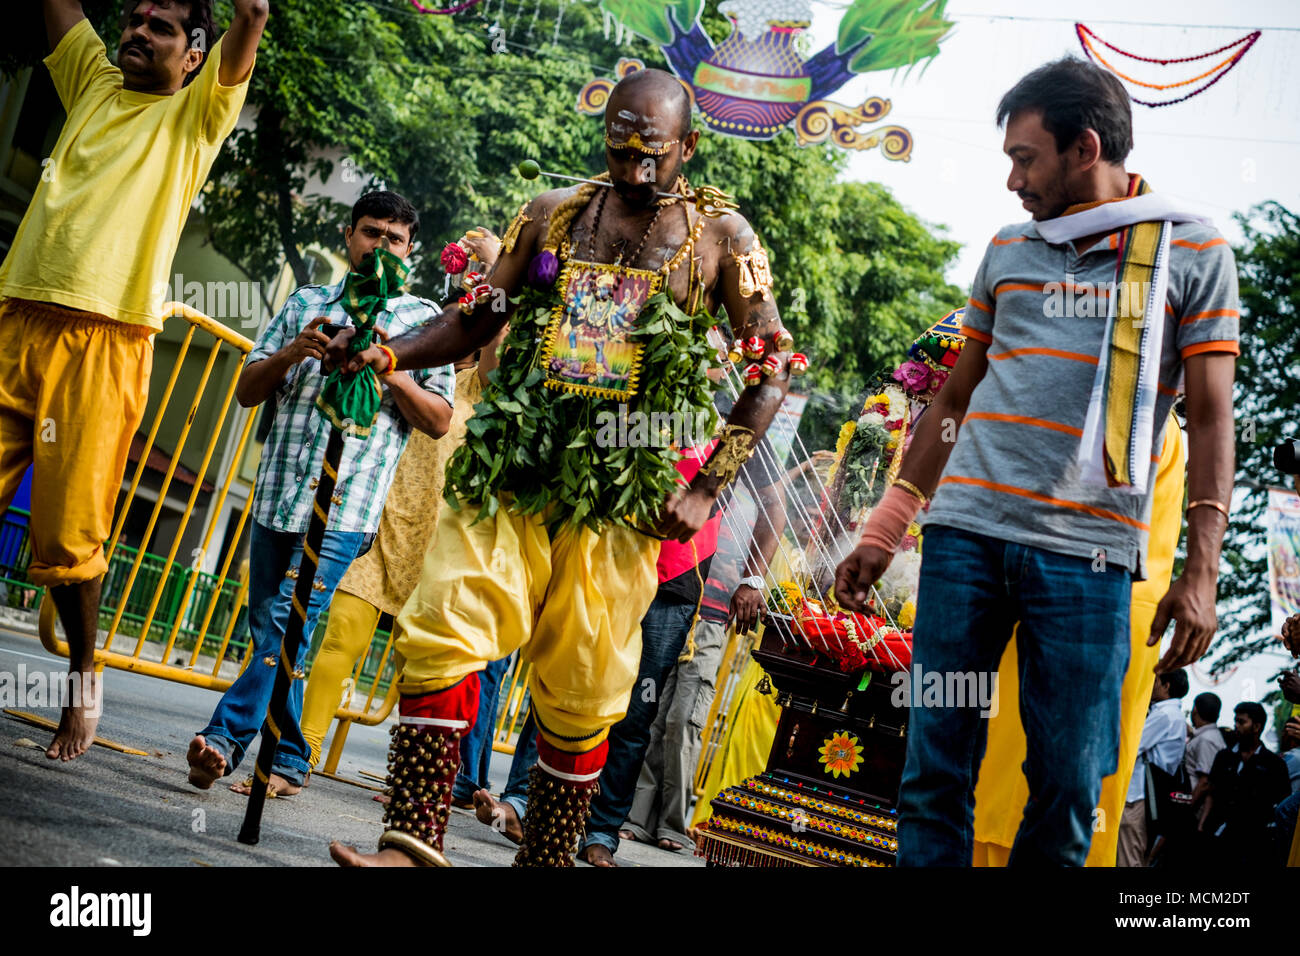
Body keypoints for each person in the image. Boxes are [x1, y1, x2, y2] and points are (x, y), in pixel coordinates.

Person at [328, 67, 795, 867]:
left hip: (623, 488)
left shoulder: (726, 238)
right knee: (443, 623)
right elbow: (478, 317)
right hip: (516, 464)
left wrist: (707, 486)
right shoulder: (553, 214)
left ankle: (544, 859)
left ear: (688, 146)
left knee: (584, 685)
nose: (635, 167)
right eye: (620, 148)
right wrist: (385, 350)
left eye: (652, 152)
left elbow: (773, 369)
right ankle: (409, 848)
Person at [835, 56, 1239, 866]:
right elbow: (952, 401)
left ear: (1084, 147)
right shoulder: (1008, 245)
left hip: (1087, 561)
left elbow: (1211, 415)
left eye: (1026, 158)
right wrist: (887, 526)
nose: (1014, 180)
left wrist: (1202, 571)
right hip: (964, 540)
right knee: (932, 771)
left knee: (1067, 788)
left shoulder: (1193, 251)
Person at [0, 0, 266, 761]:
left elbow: (252, 13)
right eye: (136, 18)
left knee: (68, 540)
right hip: (16, 318)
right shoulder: (91, 79)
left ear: (194, 57)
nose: (139, 33)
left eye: (162, 27)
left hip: (105, 342)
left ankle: (84, 678)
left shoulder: (196, 117)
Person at [186, 191, 456, 795]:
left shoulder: (421, 322)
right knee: (278, 632)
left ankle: (224, 739)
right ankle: (288, 760)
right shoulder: (307, 302)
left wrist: (389, 365)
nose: (379, 246)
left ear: (410, 251)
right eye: (370, 233)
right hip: (278, 495)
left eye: (393, 238)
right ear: (348, 235)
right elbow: (248, 389)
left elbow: (438, 419)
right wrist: (293, 352)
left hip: (347, 508)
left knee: (285, 622)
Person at [297, 229, 507, 780]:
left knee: (429, 667)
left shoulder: (486, 387)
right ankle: (302, 752)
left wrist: (499, 265)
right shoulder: (415, 361)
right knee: (342, 632)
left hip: (444, 542)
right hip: (383, 520)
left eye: (471, 317)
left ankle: (417, 782)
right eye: (453, 315)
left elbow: (500, 343)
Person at [1201, 701, 1292, 866]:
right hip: (1219, 833)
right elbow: (1211, 792)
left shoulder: (1273, 764)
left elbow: (1281, 802)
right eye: (1235, 721)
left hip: (1253, 842)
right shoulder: (1224, 757)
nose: (1236, 726)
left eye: (1242, 722)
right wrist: (1202, 825)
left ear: (1256, 727)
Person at [1116, 668, 1188, 866]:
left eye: (1156, 681)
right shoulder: (1174, 715)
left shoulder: (1164, 715)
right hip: (1149, 795)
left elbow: (1131, 747)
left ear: (1166, 686)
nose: (1152, 685)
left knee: (1128, 857)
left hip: (1137, 795)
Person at [1185, 692, 1227, 824]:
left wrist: (1185, 809)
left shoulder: (1206, 740)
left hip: (1195, 810)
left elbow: (1205, 782)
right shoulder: (1207, 736)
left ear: (1195, 710)